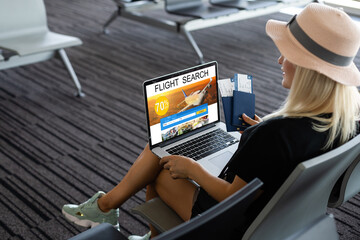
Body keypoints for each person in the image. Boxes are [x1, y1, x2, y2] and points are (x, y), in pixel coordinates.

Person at [62, 3, 360, 239]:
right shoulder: (348, 120)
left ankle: (109, 210)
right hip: (287, 216)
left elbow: (235, 196)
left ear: (308, 69)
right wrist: (256, 136)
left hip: (237, 225)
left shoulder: (275, 134)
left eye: (286, 55)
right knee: (165, 151)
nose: (279, 61)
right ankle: (114, 212)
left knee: (163, 159)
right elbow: (287, 154)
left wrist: (193, 169)